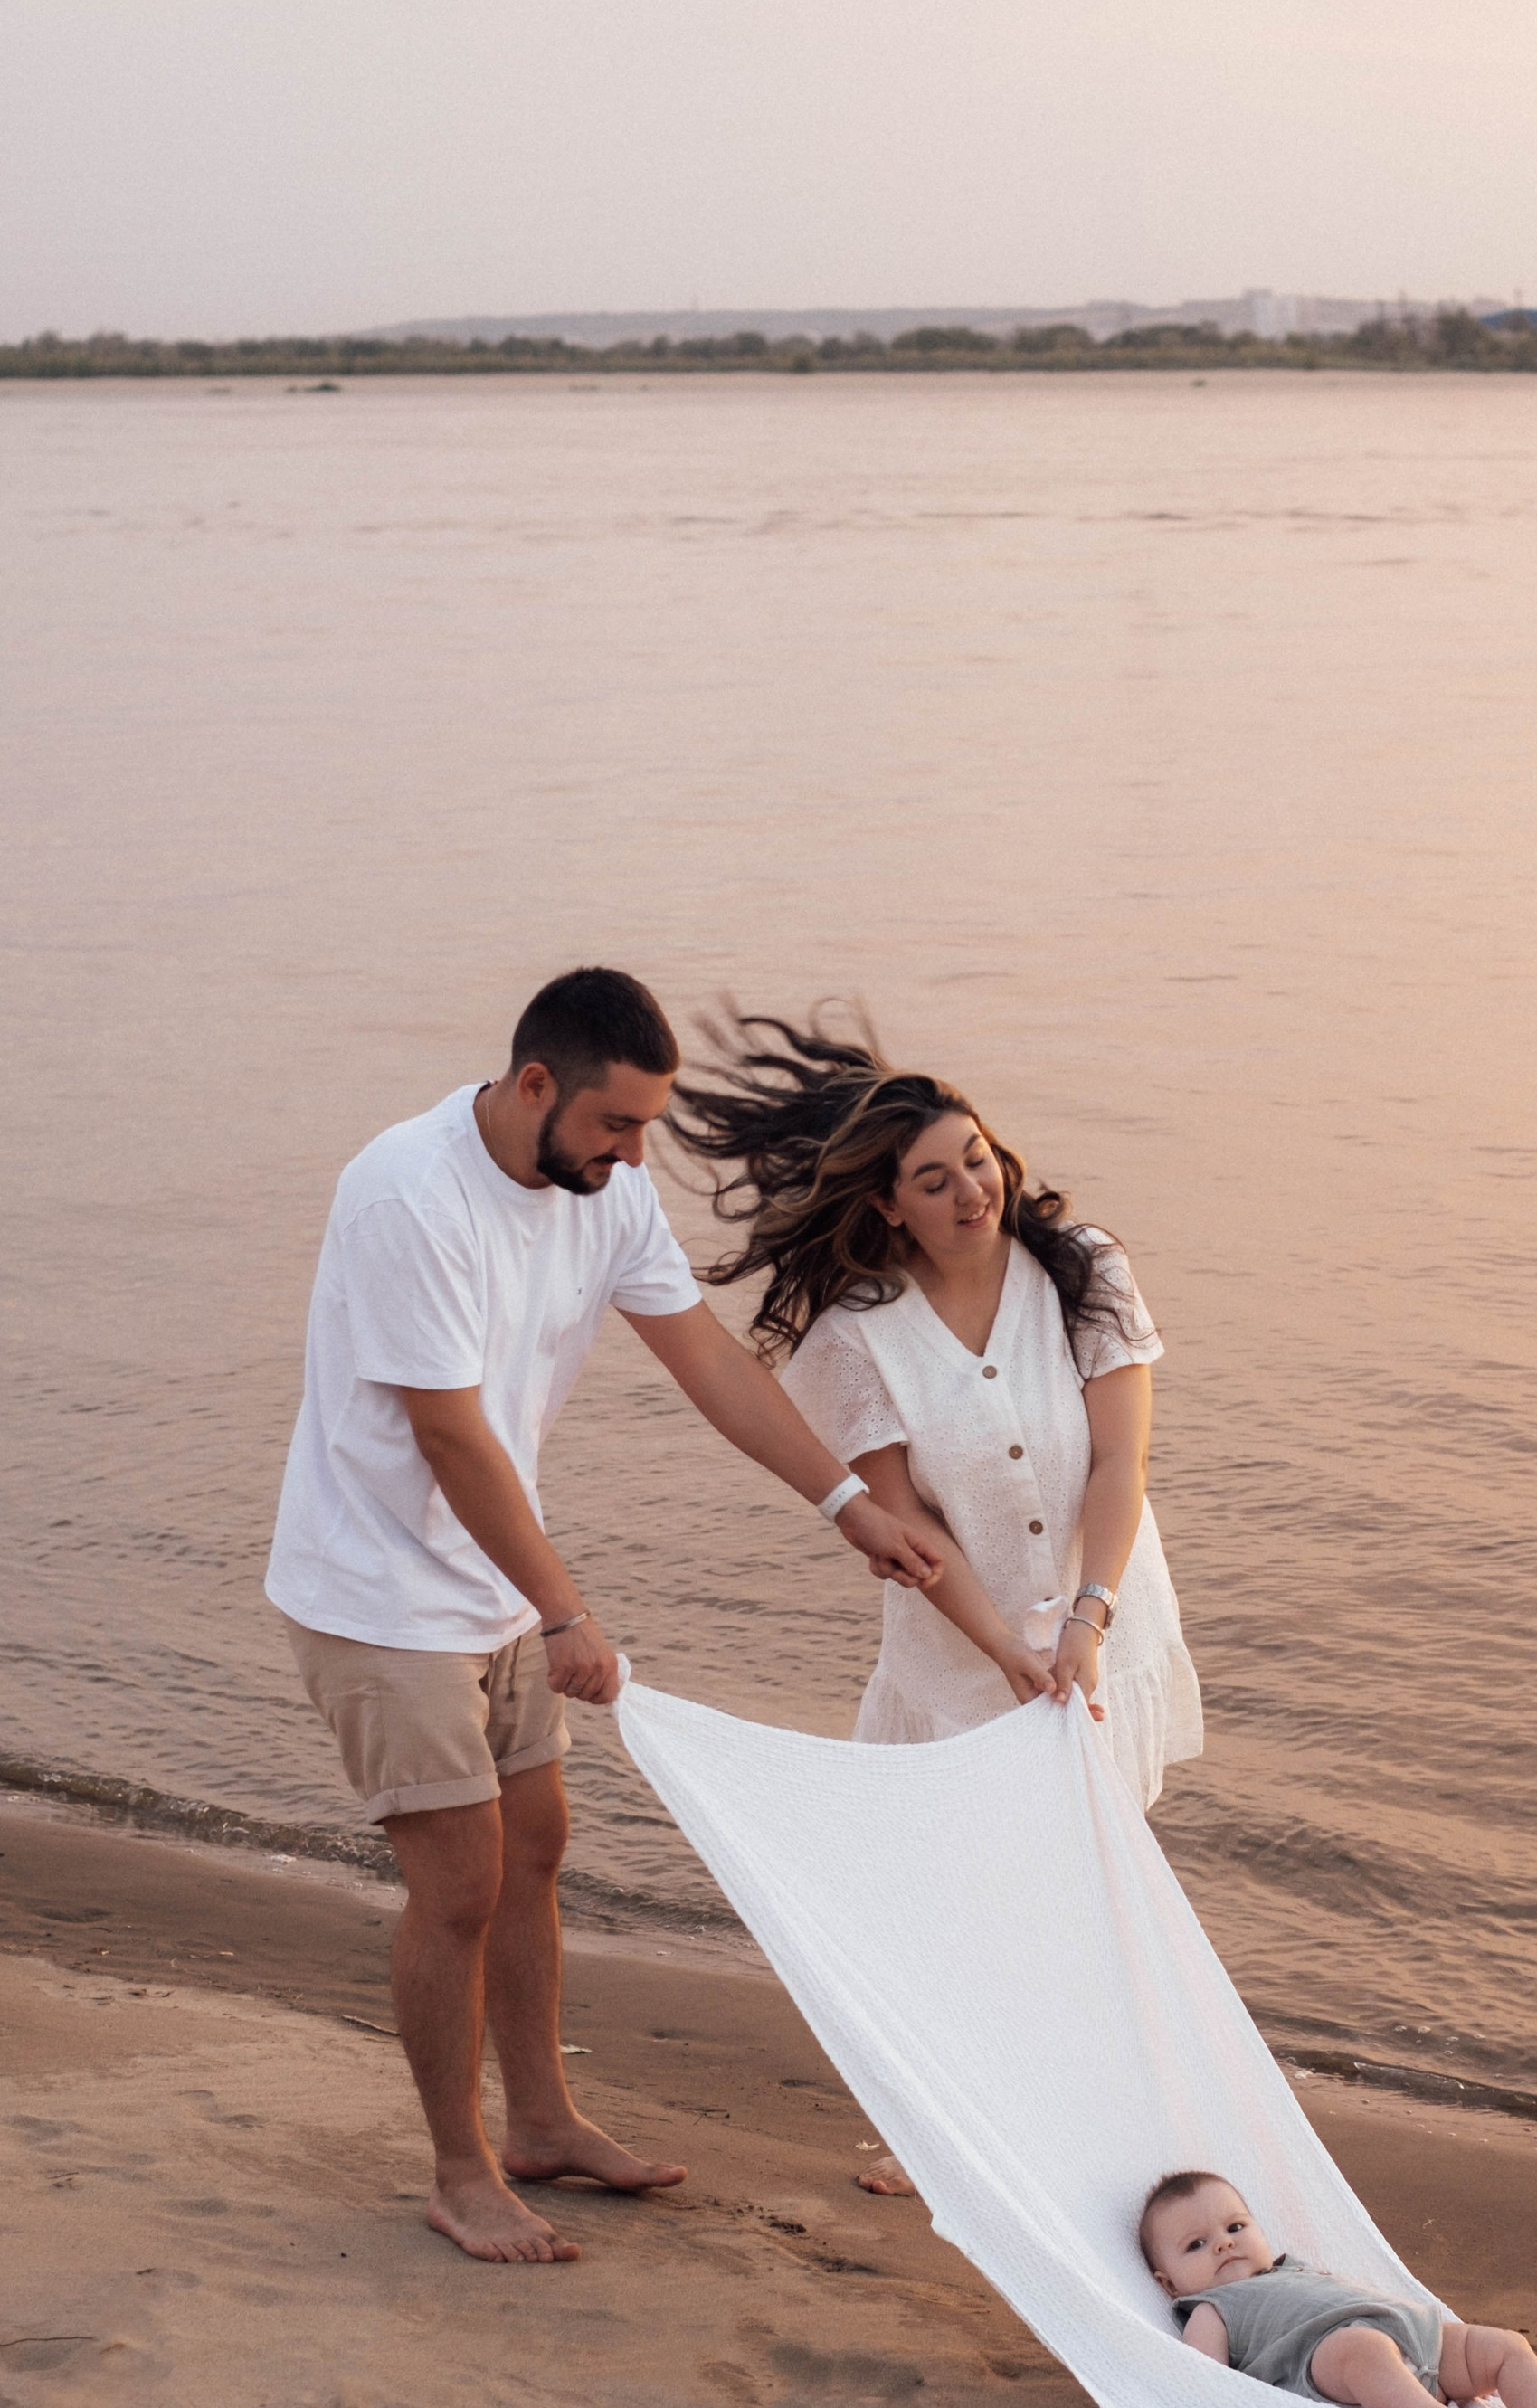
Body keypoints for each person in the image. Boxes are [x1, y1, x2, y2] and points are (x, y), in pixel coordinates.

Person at [265, 967, 942, 2268]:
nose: (635, 1154)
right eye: (616, 1125)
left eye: (643, 1128)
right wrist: (565, 1610)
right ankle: (462, 2174)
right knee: (457, 1883)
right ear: (537, 1087)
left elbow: (708, 1363)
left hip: (492, 1583)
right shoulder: (409, 1196)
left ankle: (544, 2125)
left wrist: (846, 1504)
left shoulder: (604, 1191)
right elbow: (453, 1437)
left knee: (539, 1848)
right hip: (378, 1592)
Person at [671, 1018, 1202, 1799]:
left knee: (1086, 1890)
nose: (972, 1191)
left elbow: (1122, 1462)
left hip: (1104, 1640)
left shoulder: (1085, 1268)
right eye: (934, 1182)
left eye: (976, 1158)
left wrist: (1089, 1620)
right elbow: (905, 1520)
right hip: (961, 1673)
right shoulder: (855, 1340)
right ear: (888, 1206)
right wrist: (1001, 1648)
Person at [1139, 2173, 1537, 2408]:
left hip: (1415, 2341)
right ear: (1169, 2284)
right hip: (1331, 2361)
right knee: (1362, 2350)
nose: (1223, 2242)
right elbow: (1203, 2379)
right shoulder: (1211, 2308)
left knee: (1502, 2346)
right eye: (1197, 2244)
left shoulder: (1291, 2267)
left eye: (1235, 2225)